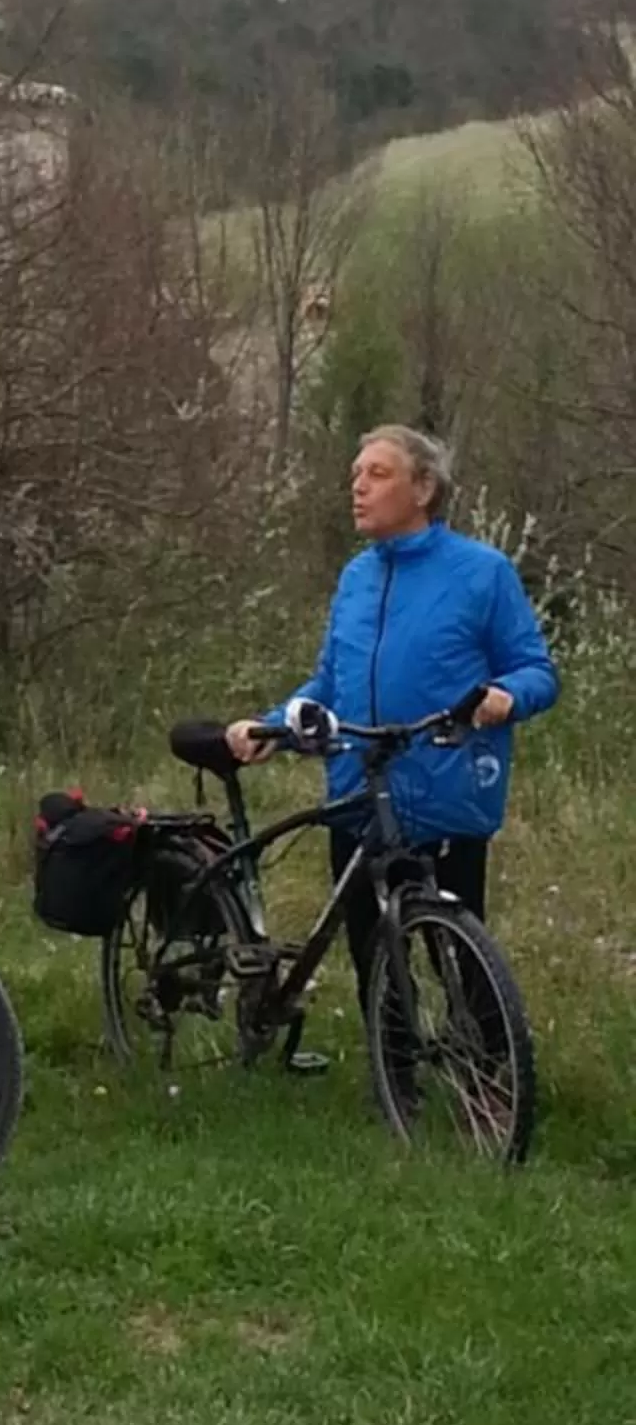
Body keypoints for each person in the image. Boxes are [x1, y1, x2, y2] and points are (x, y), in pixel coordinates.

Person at [225, 426, 558, 1044]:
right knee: (373, 951)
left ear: (424, 488)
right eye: (355, 473)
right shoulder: (356, 577)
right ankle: (396, 1082)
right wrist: (279, 722)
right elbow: (331, 679)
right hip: (357, 793)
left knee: (463, 950)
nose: (357, 485)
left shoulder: (482, 573)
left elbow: (538, 669)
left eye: (377, 473)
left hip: (445, 792)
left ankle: (490, 1079)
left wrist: (506, 697)